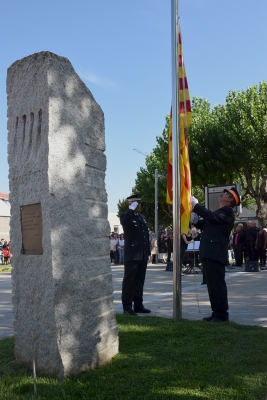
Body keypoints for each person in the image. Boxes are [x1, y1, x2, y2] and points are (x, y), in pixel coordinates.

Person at [191, 186, 241, 323]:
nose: (222, 194)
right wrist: (196, 221)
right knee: (211, 285)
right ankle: (216, 312)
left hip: (215, 253)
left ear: (230, 200)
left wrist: (196, 205)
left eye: (226, 193)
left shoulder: (227, 212)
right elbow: (206, 223)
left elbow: (210, 217)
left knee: (217, 285)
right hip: (209, 251)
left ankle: (222, 314)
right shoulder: (219, 212)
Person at [120, 194, 151, 315]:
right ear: (131, 204)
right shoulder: (127, 216)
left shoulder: (142, 217)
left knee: (139, 281)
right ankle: (127, 307)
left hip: (142, 254)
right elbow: (124, 221)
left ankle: (138, 304)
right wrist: (130, 210)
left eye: (140, 203)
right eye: (136, 203)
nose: (139, 205)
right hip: (132, 254)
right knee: (129, 281)